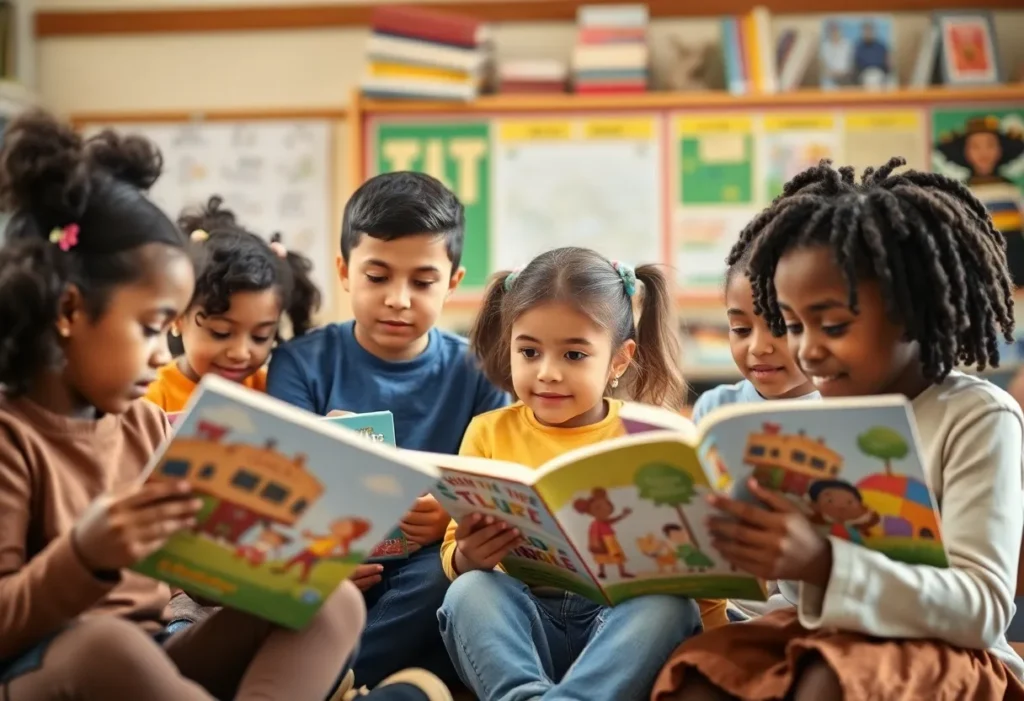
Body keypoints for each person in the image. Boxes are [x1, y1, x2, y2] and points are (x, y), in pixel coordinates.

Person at [0, 110, 375, 700]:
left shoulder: (144, 423)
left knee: (332, 603)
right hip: (50, 668)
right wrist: (83, 555)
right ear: (70, 311)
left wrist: (283, 558)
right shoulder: (11, 437)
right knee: (107, 645)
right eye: (151, 327)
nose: (159, 356)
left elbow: (193, 582)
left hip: (157, 656)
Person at [652, 158, 1024, 701]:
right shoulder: (813, 414)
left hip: (952, 652)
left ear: (913, 312)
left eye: (832, 326)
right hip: (826, 634)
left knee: (829, 682)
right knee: (698, 675)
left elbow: (982, 607)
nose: (806, 349)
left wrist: (822, 562)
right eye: (793, 325)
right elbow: (800, 594)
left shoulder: (977, 417)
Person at [437, 246, 713, 701]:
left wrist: (716, 641)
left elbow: (699, 566)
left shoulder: (653, 436)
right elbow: (454, 551)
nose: (547, 373)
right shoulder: (487, 431)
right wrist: (470, 556)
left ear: (619, 360)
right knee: (470, 591)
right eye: (529, 351)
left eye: (573, 355)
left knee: (669, 605)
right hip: (525, 624)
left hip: (617, 630)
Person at [267, 171, 509, 690]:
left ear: (453, 282)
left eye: (422, 282)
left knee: (446, 580)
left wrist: (448, 509)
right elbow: (283, 486)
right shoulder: (299, 364)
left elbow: (500, 482)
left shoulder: (482, 370)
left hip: (431, 567)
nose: (399, 298)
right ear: (345, 272)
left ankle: (341, 682)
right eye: (378, 277)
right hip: (331, 560)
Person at [693, 243, 819, 620]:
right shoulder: (715, 408)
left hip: (805, 612)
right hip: (719, 600)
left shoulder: (840, 411)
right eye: (740, 329)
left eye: (780, 328)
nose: (758, 347)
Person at [145, 196, 321, 413]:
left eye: (260, 336)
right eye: (221, 332)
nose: (240, 353)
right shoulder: (152, 396)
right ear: (179, 317)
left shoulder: (273, 391)